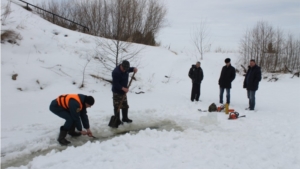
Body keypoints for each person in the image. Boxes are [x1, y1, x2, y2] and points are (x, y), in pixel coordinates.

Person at [112, 60, 138, 126]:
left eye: (126, 69)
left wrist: (134, 69)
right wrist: (123, 88)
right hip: (117, 92)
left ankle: (125, 118)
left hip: (124, 91)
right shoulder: (116, 72)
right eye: (123, 69)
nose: (124, 70)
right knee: (117, 106)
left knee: (125, 105)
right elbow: (115, 84)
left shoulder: (126, 69)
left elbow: (130, 69)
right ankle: (117, 120)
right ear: (121, 66)